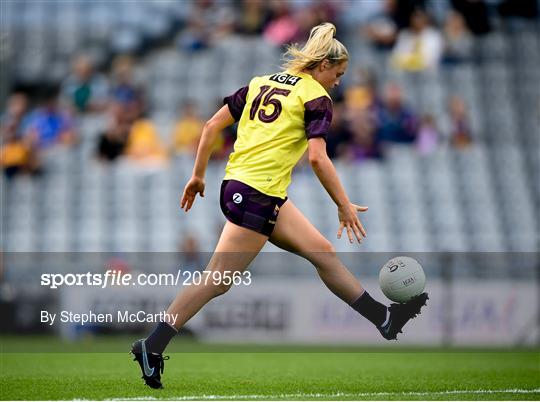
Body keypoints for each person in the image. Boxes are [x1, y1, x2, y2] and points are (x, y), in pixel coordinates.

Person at [131, 22, 428, 389]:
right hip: (256, 193)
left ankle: (384, 319)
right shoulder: (315, 97)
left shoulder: (260, 82)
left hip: (246, 188)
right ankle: (153, 345)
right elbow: (318, 159)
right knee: (217, 280)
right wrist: (343, 204)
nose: (338, 81)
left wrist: (198, 176)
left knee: (322, 252)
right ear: (322, 67)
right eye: (338, 74)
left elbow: (210, 126)